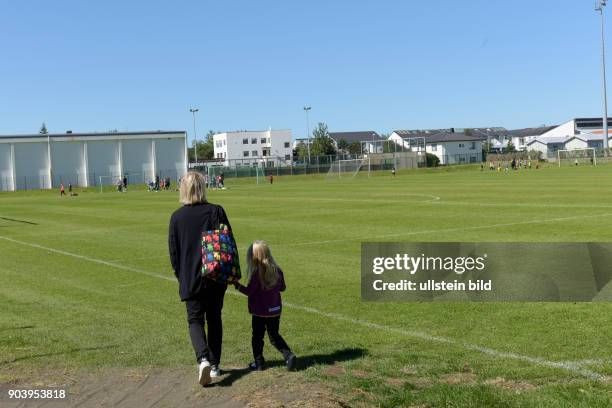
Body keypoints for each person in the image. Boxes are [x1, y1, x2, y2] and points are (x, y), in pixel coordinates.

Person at [168, 171, 233, 386]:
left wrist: (181, 276)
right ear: (203, 188)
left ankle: (203, 358)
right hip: (215, 275)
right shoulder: (216, 211)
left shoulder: (177, 217)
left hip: (190, 277)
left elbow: (174, 253)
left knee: (195, 320)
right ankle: (214, 365)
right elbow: (228, 244)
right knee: (214, 318)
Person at [233, 241, 296, 372]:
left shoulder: (257, 274)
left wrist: (237, 285)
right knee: (274, 335)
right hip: (275, 310)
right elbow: (283, 288)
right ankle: (288, 355)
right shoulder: (277, 270)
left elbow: (249, 291)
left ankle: (259, 362)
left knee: (257, 337)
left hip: (259, 311)